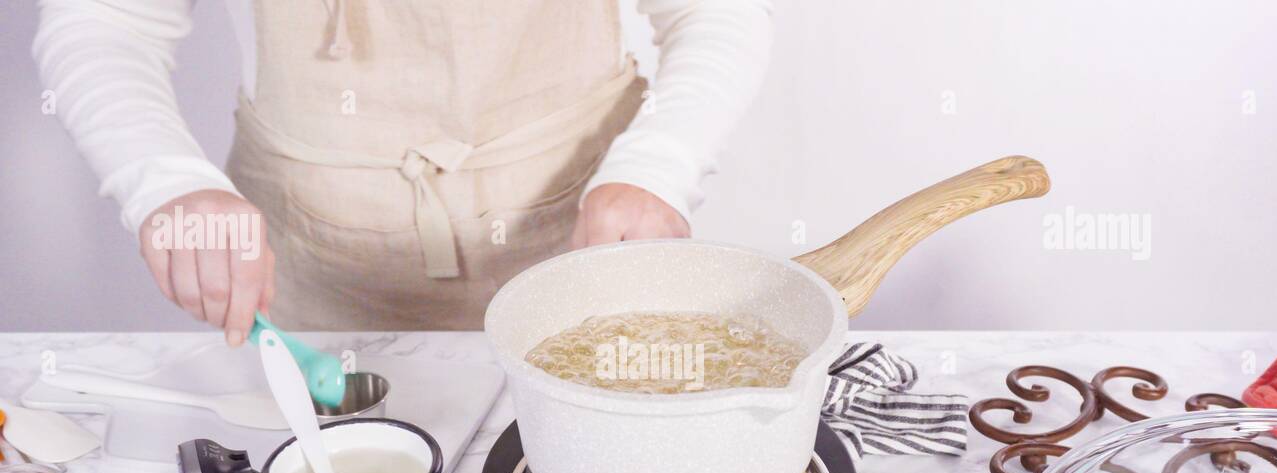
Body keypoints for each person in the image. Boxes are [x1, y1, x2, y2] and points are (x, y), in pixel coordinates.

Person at [34, 0, 772, 341]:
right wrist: (167, 183)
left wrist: (656, 168)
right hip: (310, 279)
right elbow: (104, 20)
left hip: (575, 252)